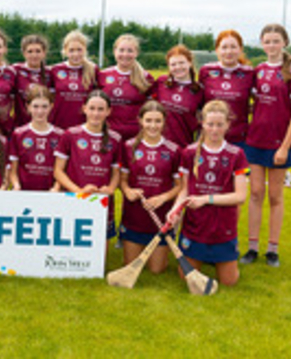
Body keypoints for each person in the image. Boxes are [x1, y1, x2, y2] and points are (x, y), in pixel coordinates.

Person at [240, 24, 291, 267]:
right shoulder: (257, 70)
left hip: (279, 142)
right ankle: (253, 247)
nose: (271, 45)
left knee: (275, 196)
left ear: (284, 43)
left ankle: (272, 250)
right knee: (255, 194)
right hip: (255, 140)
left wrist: (285, 147)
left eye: (275, 41)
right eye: (267, 41)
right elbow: (255, 104)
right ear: (261, 43)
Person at [167, 100, 248, 286]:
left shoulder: (236, 154)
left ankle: (220, 258)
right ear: (202, 123)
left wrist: (206, 199)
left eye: (220, 125)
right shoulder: (188, 152)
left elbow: (240, 196)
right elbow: (185, 190)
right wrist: (176, 210)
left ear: (228, 124)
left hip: (223, 227)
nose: (214, 130)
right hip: (195, 226)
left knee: (229, 282)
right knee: (186, 278)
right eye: (210, 124)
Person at [119, 101, 182, 273]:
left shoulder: (173, 150)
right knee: (130, 266)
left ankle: (165, 243)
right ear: (140, 120)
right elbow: (122, 179)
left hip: (160, 217)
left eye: (157, 121)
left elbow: (180, 186)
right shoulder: (129, 146)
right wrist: (127, 191)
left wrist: (162, 198)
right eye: (148, 120)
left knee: (156, 270)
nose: (153, 126)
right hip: (134, 215)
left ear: (164, 122)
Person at [54, 90, 121, 241]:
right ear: (84, 108)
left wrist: (110, 189)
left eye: (100, 109)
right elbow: (58, 171)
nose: (96, 113)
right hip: (74, 198)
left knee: (98, 256)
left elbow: (116, 172)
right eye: (92, 108)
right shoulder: (70, 134)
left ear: (108, 111)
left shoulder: (115, 139)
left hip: (101, 201)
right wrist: (79, 192)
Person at [199, 30, 254, 146]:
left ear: (240, 49)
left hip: (239, 138)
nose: (229, 51)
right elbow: (198, 102)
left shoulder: (249, 73)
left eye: (233, 47)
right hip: (208, 137)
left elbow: (262, 100)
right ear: (217, 50)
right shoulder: (205, 71)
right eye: (224, 47)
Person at [98, 34, 154, 141]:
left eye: (130, 51)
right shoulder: (103, 75)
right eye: (121, 50)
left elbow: (152, 109)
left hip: (135, 136)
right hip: (107, 133)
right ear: (115, 51)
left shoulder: (146, 77)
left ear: (136, 53)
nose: (125, 54)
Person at [9, 85, 63, 191]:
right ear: (28, 106)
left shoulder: (60, 135)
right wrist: (16, 185)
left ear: (51, 106)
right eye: (35, 106)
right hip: (25, 193)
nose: (40, 111)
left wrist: (56, 187)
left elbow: (62, 169)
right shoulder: (18, 134)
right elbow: (13, 170)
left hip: (51, 194)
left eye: (44, 106)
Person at [151, 45, 204, 147]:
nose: (178, 67)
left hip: (183, 146)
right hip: (157, 145)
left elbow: (203, 122)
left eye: (181, 63)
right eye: (173, 64)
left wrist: (197, 144)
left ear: (189, 62)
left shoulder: (199, 90)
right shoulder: (162, 82)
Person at [49, 30, 98, 130]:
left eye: (79, 50)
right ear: (65, 51)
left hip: (84, 126)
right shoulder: (55, 70)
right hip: (58, 124)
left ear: (85, 49)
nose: (75, 54)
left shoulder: (93, 70)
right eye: (71, 50)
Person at [13, 34, 52, 127]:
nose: (34, 55)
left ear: (44, 53)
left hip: (44, 126)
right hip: (20, 126)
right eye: (30, 51)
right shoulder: (15, 70)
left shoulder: (51, 73)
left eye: (38, 51)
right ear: (24, 53)